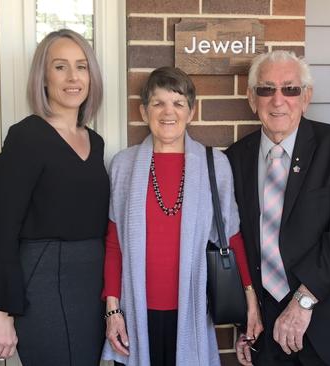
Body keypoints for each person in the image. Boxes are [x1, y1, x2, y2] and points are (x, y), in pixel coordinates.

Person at [100, 66, 263, 366]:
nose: (167, 112)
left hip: (192, 308)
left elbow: (233, 237)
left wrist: (250, 296)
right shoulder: (123, 166)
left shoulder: (215, 164)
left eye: (178, 103)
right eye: (158, 103)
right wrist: (113, 310)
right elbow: (114, 244)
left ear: (191, 111)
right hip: (137, 311)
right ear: (143, 110)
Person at [226, 50, 330, 366]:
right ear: (252, 98)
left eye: (290, 89)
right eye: (266, 89)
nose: (278, 100)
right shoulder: (235, 159)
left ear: (306, 97)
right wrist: (245, 320)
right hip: (264, 331)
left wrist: (303, 300)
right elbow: (238, 243)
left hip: (326, 326)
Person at [0, 29, 109, 365]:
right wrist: (4, 311)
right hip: (44, 279)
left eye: (81, 67)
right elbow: (3, 225)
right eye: (60, 66)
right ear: (43, 77)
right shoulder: (27, 136)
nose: (73, 77)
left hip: (90, 282)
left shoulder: (95, 142)